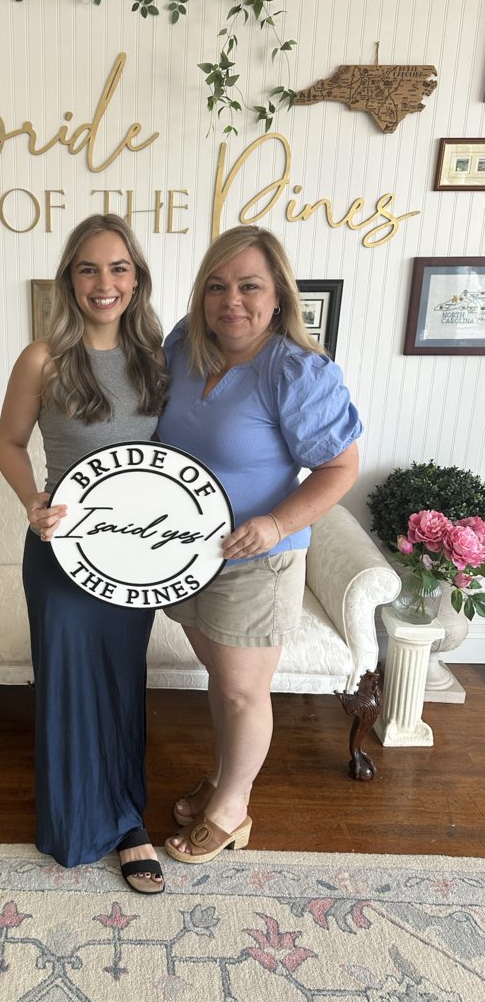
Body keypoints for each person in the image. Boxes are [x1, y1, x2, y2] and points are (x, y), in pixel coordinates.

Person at [156, 225, 362, 864]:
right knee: (222, 680)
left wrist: (274, 524)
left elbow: (340, 467)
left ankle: (233, 809)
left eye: (249, 286)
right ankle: (224, 777)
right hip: (188, 551)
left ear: (279, 297)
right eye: (216, 287)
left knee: (245, 691)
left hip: (258, 558)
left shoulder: (296, 371)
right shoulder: (185, 345)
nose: (231, 302)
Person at [0, 213, 170, 891]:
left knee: (122, 681)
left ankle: (127, 821)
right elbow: (9, 443)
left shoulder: (158, 357)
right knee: (68, 685)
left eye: (118, 268)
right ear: (69, 279)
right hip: (61, 551)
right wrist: (31, 500)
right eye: (88, 269)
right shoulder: (42, 358)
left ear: (137, 278)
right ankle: (75, 821)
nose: (104, 283)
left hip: (136, 555)